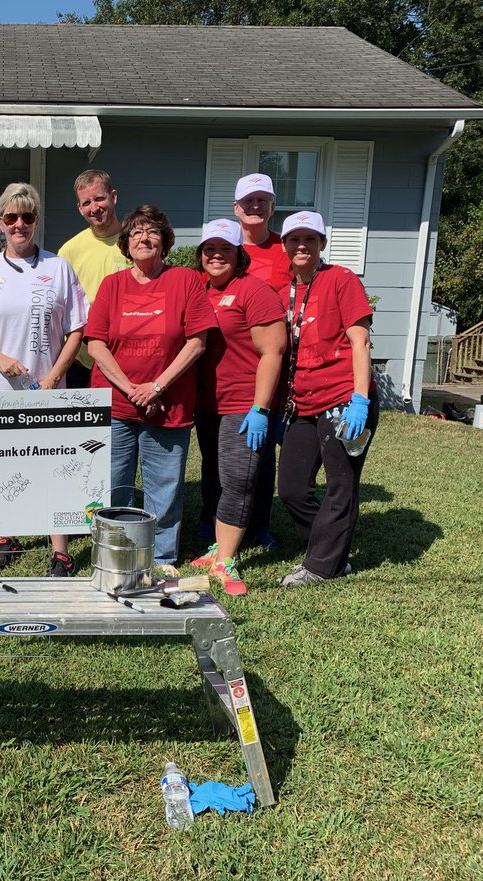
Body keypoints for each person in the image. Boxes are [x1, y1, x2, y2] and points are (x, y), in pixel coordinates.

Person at [0, 182, 88, 576]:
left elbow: (77, 329)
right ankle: (7, 535)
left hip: (47, 390)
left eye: (27, 216)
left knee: (52, 468)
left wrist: (54, 376)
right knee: (0, 464)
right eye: (11, 217)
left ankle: (60, 550)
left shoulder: (57, 267)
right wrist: (0, 360)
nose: (19, 224)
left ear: (36, 221)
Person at [84, 205, 215, 577]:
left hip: (168, 402)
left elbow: (197, 342)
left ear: (164, 242)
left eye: (153, 232)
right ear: (126, 243)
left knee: (166, 485)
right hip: (116, 403)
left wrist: (157, 386)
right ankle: (115, 549)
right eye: (136, 233)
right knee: (113, 483)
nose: (144, 238)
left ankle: (161, 557)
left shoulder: (186, 281)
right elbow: (96, 344)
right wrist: (130, 388)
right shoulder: (113, 285)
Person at [275, 211, 378, 587]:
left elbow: (360, 341)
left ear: (321, 244)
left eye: (310, 239)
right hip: (303, 402)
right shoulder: (286, 289)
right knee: (291, 487)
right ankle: (331, 551)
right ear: (285, 245)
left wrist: (360, 400)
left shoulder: (340, 280)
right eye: (294, 240)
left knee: (340, 483)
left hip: (343, 400)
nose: (302, 246)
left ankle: (322, 567)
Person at [191, 219, 287, 596]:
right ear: (200, 254)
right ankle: (218, 546)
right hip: (206, 403)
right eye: (210, 249)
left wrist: (261, 408)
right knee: (214, 476)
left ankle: (227, 560)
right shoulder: (198, 288)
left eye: (225, 249)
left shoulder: (254, 291)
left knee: (239, 479)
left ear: (239, 254)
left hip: (242, 402)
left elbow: (272, 352)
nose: (216, 255)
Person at [232, 173, 293, 552]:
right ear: (236, 208)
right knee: (224, 448)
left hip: (272, 360)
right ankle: (214, 518)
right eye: (248, 201)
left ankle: (260, 524)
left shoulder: (285, 250)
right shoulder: (221, 246)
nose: (255, 207)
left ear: (271, 206)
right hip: (229, 364)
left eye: (262, 200)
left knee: (264, 449)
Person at [57, 169, 130, 388]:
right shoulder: (69, 251)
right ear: (79, 208)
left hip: (126, 358)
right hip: (80, 360)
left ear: (113, 196)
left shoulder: (134, 243)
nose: (94, 208)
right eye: (86, 203)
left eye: (99, 198)